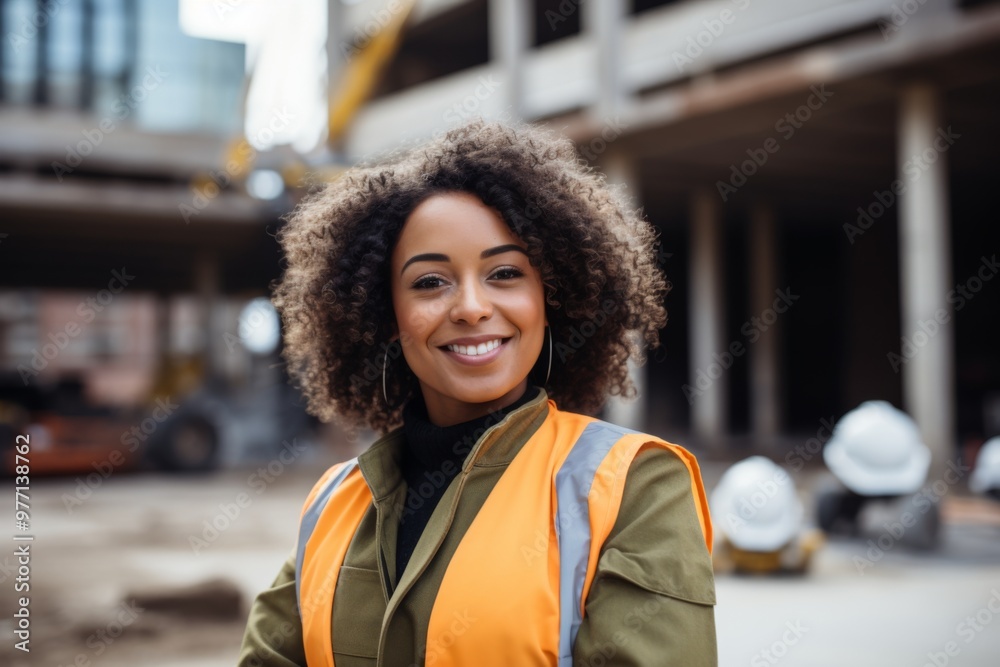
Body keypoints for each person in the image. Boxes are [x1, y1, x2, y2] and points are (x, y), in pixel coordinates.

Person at [238, 119, 717, 666]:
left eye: (505, 272)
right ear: (386, 316)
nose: (470, 307)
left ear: (550, 298)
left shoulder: (635, 487)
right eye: (429, 282)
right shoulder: (331, 501)